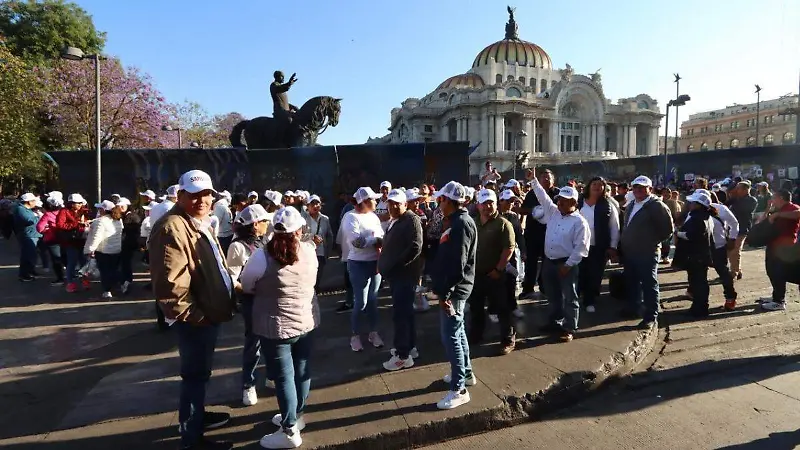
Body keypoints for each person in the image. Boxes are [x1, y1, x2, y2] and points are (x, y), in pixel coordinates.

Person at [149, 170, 236, 450]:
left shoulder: (196, 221)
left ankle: (197, 416)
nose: (201, 200)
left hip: (205, 314)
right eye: (193, 195)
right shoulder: (172, 226)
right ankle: (192, 437)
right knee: (195, 376)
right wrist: (196, 317)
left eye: (205, 194)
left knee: (199, 375)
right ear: (181, 195)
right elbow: (170, 285)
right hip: (196, 319)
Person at [239, 207, 320, 449]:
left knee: (285, 378)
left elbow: (246, 283)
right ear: (300, 229)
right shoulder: (309, 251)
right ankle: (297, 416)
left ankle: (289, 430)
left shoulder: (262, 256)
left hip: (275, 327)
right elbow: (313, 279)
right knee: (302, 371)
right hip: (305, 321)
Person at [428, 181, 477, 410]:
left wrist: (445, 294)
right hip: (454, 289)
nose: (438, 203)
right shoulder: (456, 221)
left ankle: (459, 389)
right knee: (457, 333)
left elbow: (457, 264)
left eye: (440, 199)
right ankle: (465, 374)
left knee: (452, 337)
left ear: (448, 201)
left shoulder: (461, 224)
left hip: (454, 290)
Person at [529, 171, 590, 341]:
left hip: (566, 264)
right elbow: (543, 197)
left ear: (574, 202)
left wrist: (568, 265)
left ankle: (570, 327)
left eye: (564, 201)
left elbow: (581, 248)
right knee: (553, 295)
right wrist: (533, 181)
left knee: (570, 297)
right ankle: (555, 321)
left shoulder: (580, 222)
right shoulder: (553, 212)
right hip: (549, 262)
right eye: (560, 199)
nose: (560, 202)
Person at [620, 176, 674, 328]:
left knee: (649, 284)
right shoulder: (631, 204)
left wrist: (651, 242)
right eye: (636, 187)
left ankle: (651, 316)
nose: (638, 190)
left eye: (642, 187)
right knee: (632, 282)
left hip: (647, 252)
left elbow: (668, 230)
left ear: (650, 189)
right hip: (630, 252)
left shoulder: (657, 206)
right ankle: (634, 308)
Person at [379, 189, 424, 371]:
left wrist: (396, 266)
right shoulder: (395, 220)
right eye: (390, 203)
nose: (393, 206)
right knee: (405, 314)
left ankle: (402, 355)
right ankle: (409, 347)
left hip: (404, 277)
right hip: (396, 277)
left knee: (401, 316)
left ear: (406, 204)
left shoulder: (411, 219)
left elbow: (416, 246)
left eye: (397, 203)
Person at [468, 188, 516, 354]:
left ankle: (508, 338)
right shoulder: (473, 222)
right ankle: (476, 334)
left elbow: (508, 248)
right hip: (476, 274)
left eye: (491, 203)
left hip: (496, 274)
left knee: (503, 308)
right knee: (476, 307)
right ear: (478, 205)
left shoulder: (503, 224)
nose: (488, 206)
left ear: (496, 204)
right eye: (484, 203)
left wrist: (498, 269)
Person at [340, 187, 385, 352]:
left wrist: (371, 239)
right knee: (361, 301)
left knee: (373, 300)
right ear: (363, 201)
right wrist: (374, 238)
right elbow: (356, 243)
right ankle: (355, 335)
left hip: (375, 263)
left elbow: (381, 237)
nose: (376, 202)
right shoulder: (350, 217)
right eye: (373, 199)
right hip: (358, 263)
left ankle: (373, 332)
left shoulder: (373, 216)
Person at [577, 177, 620, 314]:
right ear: (588, 186)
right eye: (594, 184)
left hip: (598, 247)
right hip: (578, 246)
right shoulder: (579, 202)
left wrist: (613, 246)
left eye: (600, 185)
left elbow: (614, 227)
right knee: (579, 273)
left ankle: (590, 300)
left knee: (594, 274)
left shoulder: (608, 204)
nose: (596, 187)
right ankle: (577, 297)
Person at [519, 168, 559, 299]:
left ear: (553, 180)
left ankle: (544, 287)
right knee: (530, 263)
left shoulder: (558, 194)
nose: (546, 179)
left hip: (551, 235)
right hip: (533, 233)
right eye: (543, 177)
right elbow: (523, 209)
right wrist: (534, 211)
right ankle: (528, 288)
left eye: (549, 177)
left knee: (548, 263)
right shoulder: (532, 193)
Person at [674, 190, 715, 317]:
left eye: (692, 202)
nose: (689, 203)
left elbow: (692, 235)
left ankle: (700, 308)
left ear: (698, 204)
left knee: (698, 282)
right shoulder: (702, 215)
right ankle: (699, 306)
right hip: (699, 254)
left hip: (696, 255)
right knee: (699, 281)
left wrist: (678, 233)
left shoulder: (698, 217)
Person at [760, 190, 800, 311]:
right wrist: (768, 209)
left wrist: (778, 215)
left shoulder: (792, 207)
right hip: (773, 245)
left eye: (774, 197)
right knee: (771, 271)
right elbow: (761, 222)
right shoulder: (775, 209)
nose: (772, 199)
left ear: (781, 198)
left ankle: (779, 301)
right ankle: (775, 296)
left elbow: (798, 213)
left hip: (785, 247)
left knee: (779, 273)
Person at [84, 201, 124, 299]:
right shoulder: (118, 220)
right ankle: (117, 286)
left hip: (103, 251)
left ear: (103, 210)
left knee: (105, 272)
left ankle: (107, 290)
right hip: (116, 249)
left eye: (99, 208)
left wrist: (90, 250)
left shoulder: (100, 221)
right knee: (113, 270)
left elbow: (96, 237)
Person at [498, 189, 526, 318]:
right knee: (497, 283)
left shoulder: (514, 216)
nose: (510, 204)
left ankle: (512, 306)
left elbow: (519, 235)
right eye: (508, 201)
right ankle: (495, 309)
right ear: (501, 201)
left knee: (511, 281)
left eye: (512, 201)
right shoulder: (495, 216)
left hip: (511, 254)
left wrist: (524, 251)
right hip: (496, 254)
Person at [56, 193, 91, 293]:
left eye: (81, 203)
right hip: (71, 241)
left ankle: (85, 280)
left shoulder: (84, 211)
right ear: (71, 203)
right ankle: (70, 283)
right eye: (77, 203)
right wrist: (76, 224)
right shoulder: (64, 211)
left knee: (84, 262)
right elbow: (60, 225)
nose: (80, 205)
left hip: (83, 239)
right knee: (72, 262)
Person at [302, 195, 334, 293]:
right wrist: (312, 237)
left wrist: (328, 251)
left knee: (318, 274)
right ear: (307, 206)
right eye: (312, 204)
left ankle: (314, 293)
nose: (315, 206)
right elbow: (299, 236)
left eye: (317, 203)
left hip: (320, 252)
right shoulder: (302, 219)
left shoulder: (325, 219)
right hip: (307, 252)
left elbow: (329, 235)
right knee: (308, 275)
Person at [726, 181, 757, 281]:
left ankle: (734, 272)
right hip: (731, 228)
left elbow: (742, 210)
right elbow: (725, 205)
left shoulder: (752, 200)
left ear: (745, 189)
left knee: (735, 250)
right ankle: (737, 270)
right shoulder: (735, 199)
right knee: (730, 250)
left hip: (742, 228)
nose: (737, 190)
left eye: (739, 188)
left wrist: (735, 199)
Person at [12, 193, 42, 282]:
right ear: (28, 202)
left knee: (32, 255)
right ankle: (24, 274)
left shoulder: (28, 209)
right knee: (27, 255)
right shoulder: (21, 209)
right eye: (34, 201)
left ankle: (30, 271)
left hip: (33, 234)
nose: (35, 202)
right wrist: (39, 217)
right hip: (27, 236)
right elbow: (30, 220)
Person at [36, 196, 65, 285]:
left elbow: (39, 228)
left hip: (52, 240)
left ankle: (60, 279)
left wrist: (47, 230)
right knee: (65, 257)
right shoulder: (66, 212)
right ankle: (70, 276)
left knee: (56, 260)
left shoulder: (48, 215)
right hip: (66, 238)